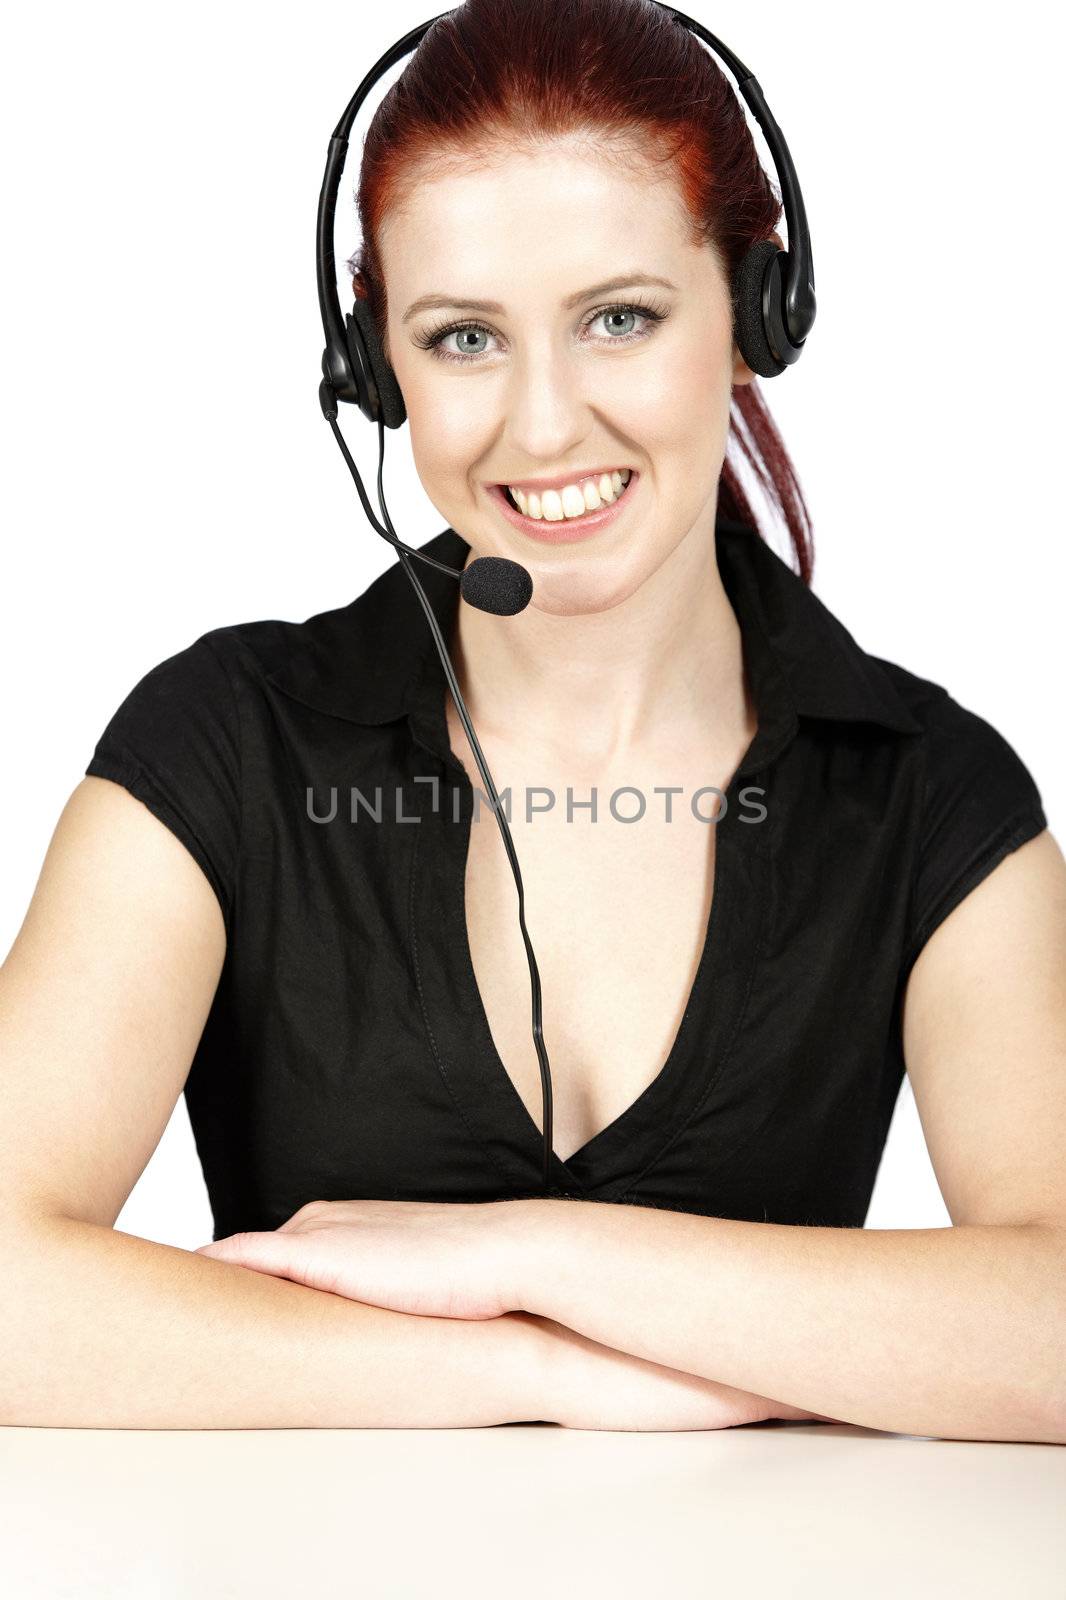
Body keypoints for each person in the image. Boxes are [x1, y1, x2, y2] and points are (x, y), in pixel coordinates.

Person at [2, 0, 1063, 1441]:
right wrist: (543, 1369)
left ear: (754, 322)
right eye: (460, 339)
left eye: (618, 318)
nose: (544, 423)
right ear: (374, 372)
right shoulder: (225, 745)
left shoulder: (930, 794)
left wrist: (522, 1256)